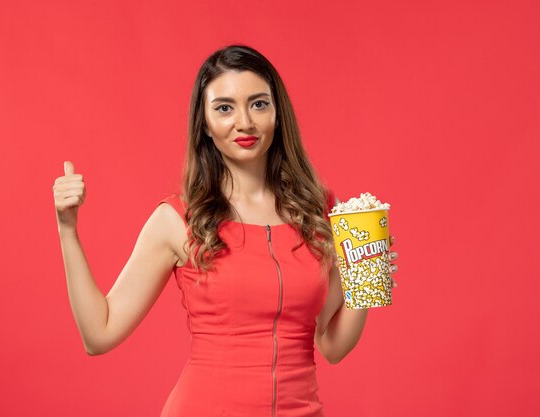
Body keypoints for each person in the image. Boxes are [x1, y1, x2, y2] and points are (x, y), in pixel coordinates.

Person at [52, 44, 399, 417]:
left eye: (259, 104)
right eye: (224, 108)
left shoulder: (318, 212)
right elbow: (98, 334)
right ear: (204, 123)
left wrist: (366, 280)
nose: (244, 122)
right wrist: (67, 229)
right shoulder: (179, 218)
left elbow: (332, 345)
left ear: (278, 114)